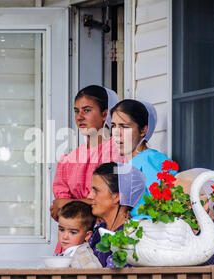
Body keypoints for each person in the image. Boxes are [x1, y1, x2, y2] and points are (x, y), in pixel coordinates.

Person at [51, 85, 123, 255]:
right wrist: (66, 206)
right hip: (74, 236)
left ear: (105, 114)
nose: (80, 117)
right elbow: (58, 210)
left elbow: (113, 200)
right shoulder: (70, 158)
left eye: (87, 110)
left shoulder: (116, 151)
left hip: (102, 233)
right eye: (76, 111)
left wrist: (67, 203)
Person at [109, 99, 176, 219]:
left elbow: (164, 210)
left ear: (143, 130)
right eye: (114, 126)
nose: (117, 133)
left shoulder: (150, 159)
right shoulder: (125, 164)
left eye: (124, 127)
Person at [87, 162, 146, 268]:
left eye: (96, 190)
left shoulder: (131, 235)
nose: (89, 196)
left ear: (117, 197)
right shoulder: (99, 231)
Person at [55, 201, 102, 268]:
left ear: (87, 235)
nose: (65, 236)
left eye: (73, 232)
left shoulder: (83, 254)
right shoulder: (70, 252)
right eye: (61, 230)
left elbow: (95, 276)